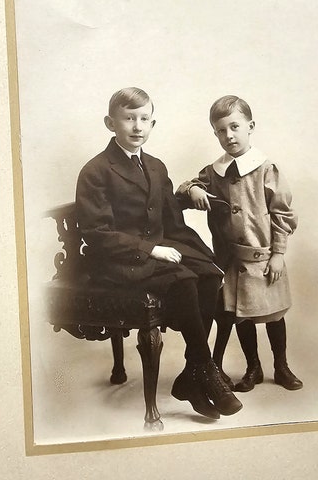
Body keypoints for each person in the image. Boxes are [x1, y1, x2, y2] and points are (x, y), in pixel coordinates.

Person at [75, 87, 242, 419]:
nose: (137, 127)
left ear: (152, 123)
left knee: (208, 273)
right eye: (128, 119)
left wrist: (191, 193)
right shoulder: (96, 171)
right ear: (111, 123)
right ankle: (204, 371)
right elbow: (97, 233)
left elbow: (168, 216)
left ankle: (192, 373)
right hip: (118, 259)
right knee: (183, 280)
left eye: (144, 119)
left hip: (156, 248)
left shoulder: (154, 166)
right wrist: (151, 250)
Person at [176, 95, 302, 393]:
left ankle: (281, 366)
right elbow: (185, 186)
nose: (228, 135)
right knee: (241, 316)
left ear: (250, 126)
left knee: (273, 314)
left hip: (263, 256)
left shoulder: (265, 169)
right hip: (231, 260)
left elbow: (282, 212)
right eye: (221, 130)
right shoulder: (214, 171)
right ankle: (253, 368)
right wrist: (194, 188)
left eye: (234, 126)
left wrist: (278, 254)